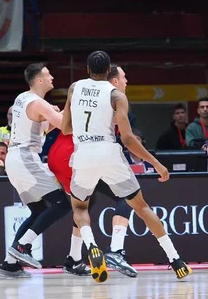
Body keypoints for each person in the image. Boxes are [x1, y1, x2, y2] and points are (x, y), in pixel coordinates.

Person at [61, 50, 192, 283]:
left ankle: (91, 247)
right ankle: (176, 260)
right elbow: (129, 139)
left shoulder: (74, 88)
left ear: (87, 70)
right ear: (109, 70)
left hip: (83, 155)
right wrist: (156, 163)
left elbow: (65, 129)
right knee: (141, 207)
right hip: (109, 154)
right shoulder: (117, 96)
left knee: (80, 208)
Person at [48, 64, 137, 278]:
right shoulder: (112, 98)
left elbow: (66, 124)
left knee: (86, 203)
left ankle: (74, 258)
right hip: (77, 155)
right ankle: (114, 250)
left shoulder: (79, 89)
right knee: (125, 198)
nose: (127, 81)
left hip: (60, 154)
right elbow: (125, 138)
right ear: (113, 80)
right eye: (124, 77)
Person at [0, 63, 72, 278]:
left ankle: (10, 263)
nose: (52, 78)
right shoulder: (38, 103)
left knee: (39, 210)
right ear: (39, 79)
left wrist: (53, 114)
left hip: (16, 159)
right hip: (25, 158)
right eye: (49, 75)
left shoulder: (22, 98)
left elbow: (42, 126)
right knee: (63, 202)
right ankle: (23, 246)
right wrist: (72, 106)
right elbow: (66, 127)